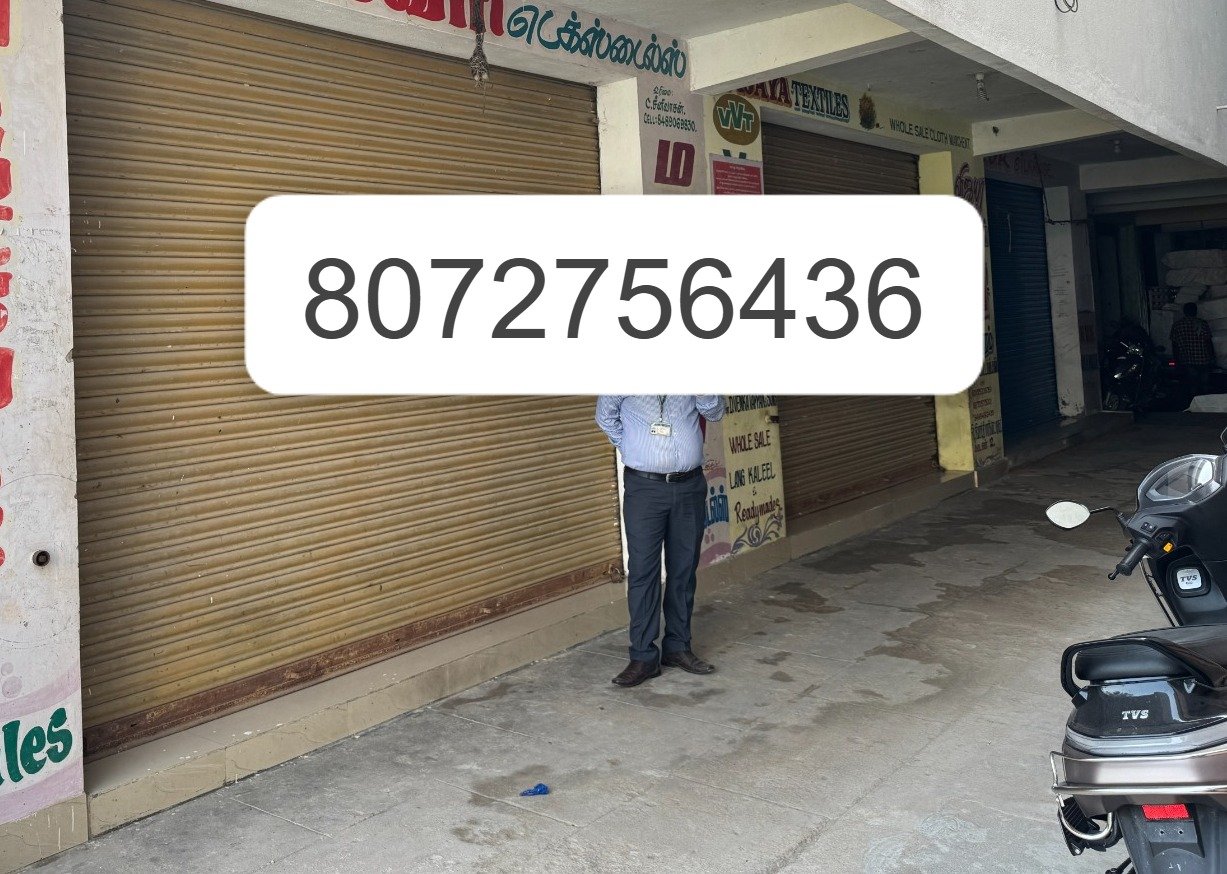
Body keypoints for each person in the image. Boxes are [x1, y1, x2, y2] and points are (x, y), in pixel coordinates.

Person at [595, 395, 725, 687]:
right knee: (643, 571)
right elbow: (605, 417)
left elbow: (716, 413)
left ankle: (678, 646)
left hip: (689, 485)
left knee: (683, 569)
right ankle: (643, 656)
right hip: (645, 488)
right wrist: (632, 447)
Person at [1170, 302, 1215, 397]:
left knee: (1192, 383)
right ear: (1196, 311)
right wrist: (1212, 356)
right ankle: (1206, 401)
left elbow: (1175, 344)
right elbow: (1208, 342)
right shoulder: (1202, 324)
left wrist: (1176, 360)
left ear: (1184, 312)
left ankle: (1193, 400)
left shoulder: (1177, 325)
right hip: (1203, 359)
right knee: (1205, 383)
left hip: (1187, 359)